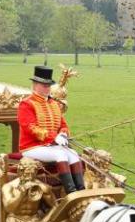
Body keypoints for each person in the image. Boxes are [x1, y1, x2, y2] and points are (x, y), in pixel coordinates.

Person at [17, 66, 85, 194]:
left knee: (74, 154)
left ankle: (81, 190)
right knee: (60, 154)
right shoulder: (26, 104)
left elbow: (63, 124)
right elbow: (29, 127)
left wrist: (63, 134)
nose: (47, 88)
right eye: (44, 85)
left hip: (50, 147)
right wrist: (54, 138)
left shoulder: (54, 103)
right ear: (35, 85)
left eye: (48, 85)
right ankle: (71, 191)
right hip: (32, 147)